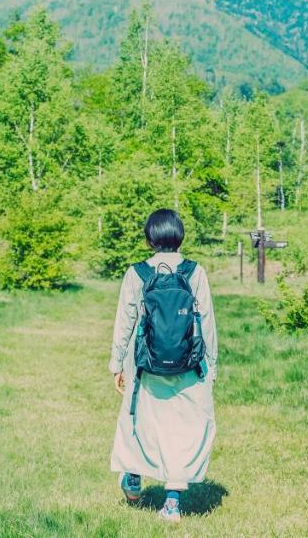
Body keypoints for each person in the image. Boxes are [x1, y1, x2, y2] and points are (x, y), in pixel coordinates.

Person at [108, 208, 218, 524]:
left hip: (145, 365)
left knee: (138, 421)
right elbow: (207, 324)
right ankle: (171, 502)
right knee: (184, 429)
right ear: (180, 236)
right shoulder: (196, 272)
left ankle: (132, 475)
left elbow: (124, 323)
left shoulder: (137, 273)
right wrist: (211, 367)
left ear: (149, 239)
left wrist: (118, 365)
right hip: (189, 366)